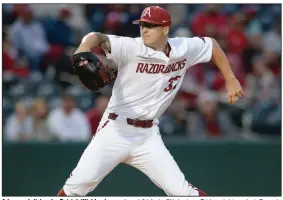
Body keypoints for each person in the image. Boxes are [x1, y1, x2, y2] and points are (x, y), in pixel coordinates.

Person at [57, 6, 244, 196]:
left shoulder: (182, 48)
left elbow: (212, 45)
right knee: (77, 186)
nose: (144, 29)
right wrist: (82, 49)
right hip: (115, 129)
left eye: (151, 26)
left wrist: (231, 78)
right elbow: (96, 37)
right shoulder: (131, 47)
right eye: (142, 25)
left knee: (182, 192)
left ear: (165, 29)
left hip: (147, 136)